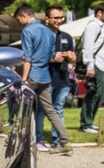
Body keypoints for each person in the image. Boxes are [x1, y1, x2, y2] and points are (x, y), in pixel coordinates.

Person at [14, 3, 73, 156]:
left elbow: (27, 57)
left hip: (32, 75)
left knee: (22, 108)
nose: (18, 23)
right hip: (45, 77)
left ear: (23, 16)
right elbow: (52, 56)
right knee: (51, 111)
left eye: (18, 20)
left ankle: (14, 138)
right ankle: (65, 143)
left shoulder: (27, 30)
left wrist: (24, 79)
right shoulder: (48, 32)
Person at [35, 5, 76, 152]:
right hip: (43, 79)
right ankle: (38, 140)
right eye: (56, 18)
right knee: (40, 111)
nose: (59, 20)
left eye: (61, 17)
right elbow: (32, 58)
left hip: (62, 79)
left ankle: (58, 141)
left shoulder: (66, 37)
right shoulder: (40, 35)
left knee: (58, 109)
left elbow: (73, 58)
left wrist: (71, 58)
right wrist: (52, 58)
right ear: (47, 19)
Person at [79, 2, 104, 134]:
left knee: (101, 94)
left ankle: (89, 122)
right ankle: (86, 123)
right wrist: (90, 66)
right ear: (99, 13)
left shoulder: (98, 26)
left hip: (101, 65)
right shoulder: (93, 26)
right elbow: (87, 47)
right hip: (95, 65)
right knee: (94, 94)